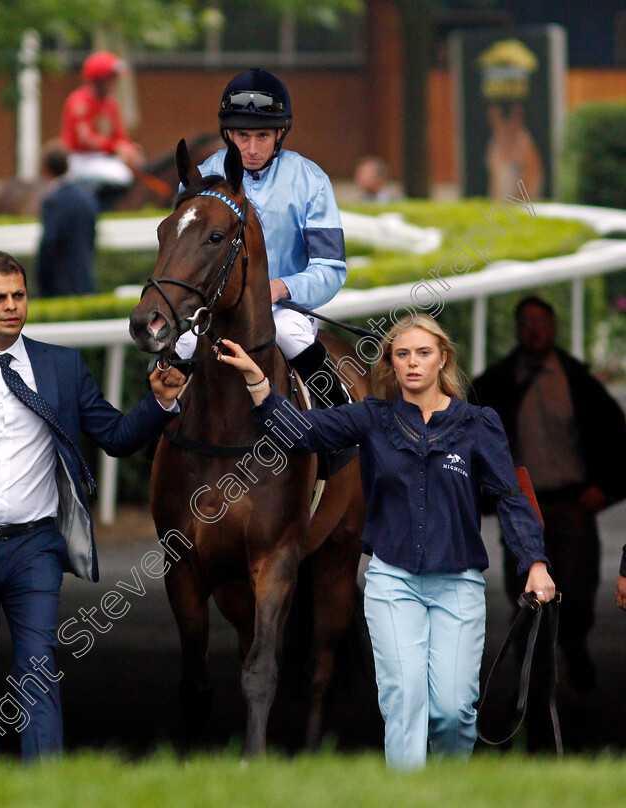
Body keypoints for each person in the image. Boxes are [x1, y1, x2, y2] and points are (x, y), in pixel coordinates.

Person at [214, 314, 555, 768]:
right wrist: (259, 382)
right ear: (391, 364)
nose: (412, 363)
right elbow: (303, 433)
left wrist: (534, 561)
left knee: (454, 712)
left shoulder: (478, 424)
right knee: (404, 703)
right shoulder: (372, 417)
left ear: (442, 360)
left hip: (459, 586)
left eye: (423, 353)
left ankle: (450, 794)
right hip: (393, 585)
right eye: (402, 355)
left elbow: (511, 497)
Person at [0, 250, 185, 760]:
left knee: (36, 670)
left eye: (19, 295)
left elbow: (115, 436)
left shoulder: (62, 365)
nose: (11, 306)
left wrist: (159, 403)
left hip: (35, 546)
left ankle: (45, 788)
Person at [472, 295, 626, 693]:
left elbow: (618, 437)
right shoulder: (498, 382)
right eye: (526, 322)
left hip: (573, 504)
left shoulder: (577, 380)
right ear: (517, 330)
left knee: (576, 593)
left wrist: (605, 489)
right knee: (525, 596)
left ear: (554, 326)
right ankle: (534, 679)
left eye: (542, 320)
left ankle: (573, 646)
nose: (534, 328)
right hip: (522, 507)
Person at [174, 68, 348, 407]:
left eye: (263, 136)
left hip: (281, 310)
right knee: (177, 345)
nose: (251, 149)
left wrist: (281, 287)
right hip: (212, 310)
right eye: (242, 135)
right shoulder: (203, 178)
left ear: (280, 133)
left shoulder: (310, 180)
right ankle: (156, 444)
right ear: (227, 134)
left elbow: (331, 267)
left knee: (289, 333)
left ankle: (341, 431)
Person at [59, 51, 144, 198]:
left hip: (103, 159)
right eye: (110, 78)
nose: (114, 83)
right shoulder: (80, 102)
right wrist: (116, 147)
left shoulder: (111, 104)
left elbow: (120, 136)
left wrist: (130, 149)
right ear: (98, 79)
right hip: (78, 159)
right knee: (120, 175)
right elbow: (86, 139)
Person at [35, 141, 99, 298]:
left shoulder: (53, 200)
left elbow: (49, 242)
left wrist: (40, 278)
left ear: (45, 168)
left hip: (59, 284)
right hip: (86, 278)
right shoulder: (87, 196)